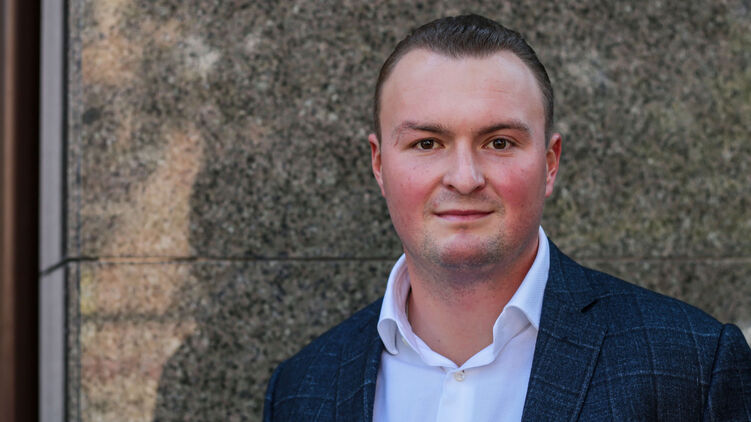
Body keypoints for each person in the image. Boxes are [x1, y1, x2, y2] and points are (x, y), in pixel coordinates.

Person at [263, 14, 751, 421]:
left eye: (499, 142)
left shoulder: (693, 366)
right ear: (378, 165)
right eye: (427, 143)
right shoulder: (301, 389)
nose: (464, 178)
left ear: (550, 164)